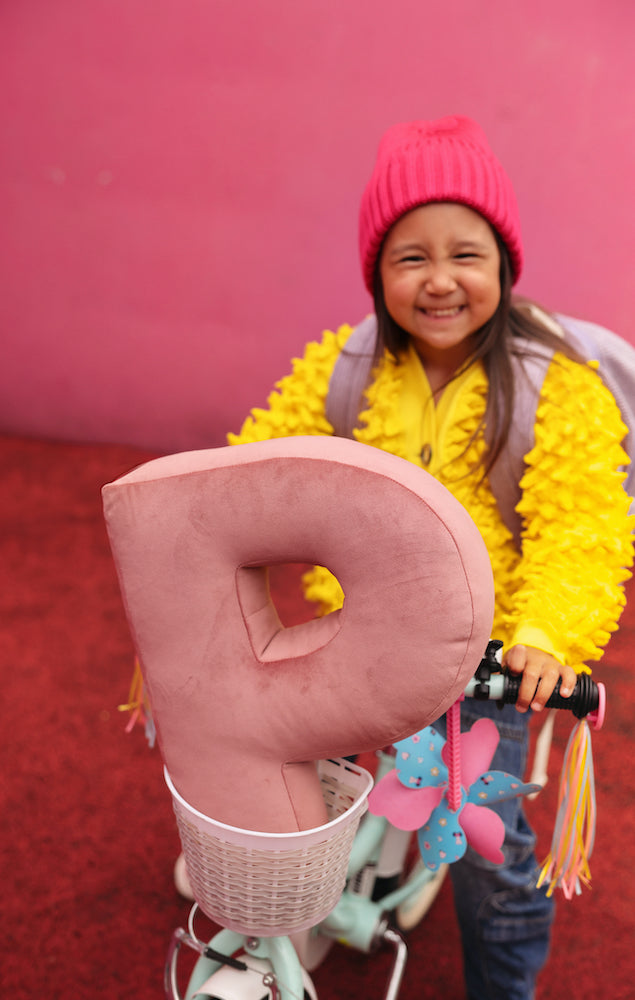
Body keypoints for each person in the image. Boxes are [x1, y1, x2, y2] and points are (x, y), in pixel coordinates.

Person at [225, 116, 634, 999]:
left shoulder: (552, 384)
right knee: (288, 761)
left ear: (504, 265)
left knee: (488, 844)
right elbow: (256, 467)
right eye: (409, 257)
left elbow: (581, 532)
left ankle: (502, 984)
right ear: (376, 272)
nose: (439, 281)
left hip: (485, 659)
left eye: (466, 255)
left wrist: (544, 639)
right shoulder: (349, 368)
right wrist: (190, 530)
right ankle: (326, 874)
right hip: (359, 640)